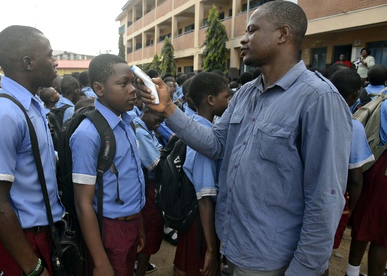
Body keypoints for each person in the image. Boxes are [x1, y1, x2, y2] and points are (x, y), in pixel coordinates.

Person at [139, 1, 352, 275]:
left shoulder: (318, 99)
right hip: (235, 245)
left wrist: (305, 268)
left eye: (252, 30)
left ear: (283, 34)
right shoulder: (247, 94)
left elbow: (325, 197)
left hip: (276, 259)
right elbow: (215, 144)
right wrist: (169, 110)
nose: (243, 38)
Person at [0, 25, 64, 276]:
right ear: (28, 62)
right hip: (24, 240)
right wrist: (32, 267)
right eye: (49, 55)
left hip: (44, 232)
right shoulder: (3, 114)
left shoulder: (30, 105)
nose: (55, 62)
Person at [71, 54, 145, 276]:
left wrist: (138, 224)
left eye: (133, 82)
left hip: (132, 222)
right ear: (99, 89)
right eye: (124, 83)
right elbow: (83, 203)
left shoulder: (127, 123)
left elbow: (133, 179)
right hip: (110, 229)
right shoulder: (88, 134)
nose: (133, 89)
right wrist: (100, 261)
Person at [174, 72, 229, 276]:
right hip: (201, 220)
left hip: (197, 217)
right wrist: (211, 249)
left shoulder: (200, 128)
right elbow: (205, 197)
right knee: (197, 267)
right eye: (227, 96)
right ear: (211, 100)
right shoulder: (203, 141)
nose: (230, 100)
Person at [323, 69, 374, 276]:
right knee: (321, 257)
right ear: (355, 95)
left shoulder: (308, 114)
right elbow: (355, 177)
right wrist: (350, 208)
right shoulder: (353, 126)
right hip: (332, 198)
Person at [346, 71, 387, 276]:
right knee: (381, 235)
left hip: (372, 165)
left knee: (363, 223)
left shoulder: (383, 99)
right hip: (383, 171)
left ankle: (351, 272)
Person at [133, 107, 165, 276]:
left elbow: (159, 149)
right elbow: (155, 163)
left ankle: (139, 264)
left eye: (161, 122)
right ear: (145, 113)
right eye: (156, 120)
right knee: (150, 227)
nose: (158, 125)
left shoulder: (147, 128)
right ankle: (140, 269)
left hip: (147, 185)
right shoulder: (140, 132)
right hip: (145, 187)